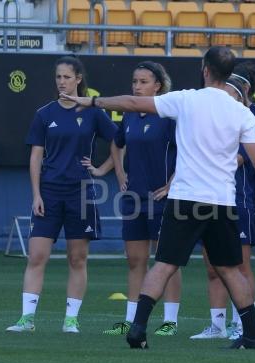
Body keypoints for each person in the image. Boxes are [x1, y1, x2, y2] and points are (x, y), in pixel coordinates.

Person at [61, 46, 255, 350]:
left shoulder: (186, 99)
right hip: (222, 201)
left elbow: (134, 103)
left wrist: (93, 100)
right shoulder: (242, 113)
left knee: (163, 264)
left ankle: (138, 328)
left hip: (185, 198)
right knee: (229, 269)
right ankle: (252, 334)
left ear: (205, 70)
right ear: (229, 74)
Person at [7, 56, 117, 333]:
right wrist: (36, 194)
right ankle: (27, 319)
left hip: (81, 193)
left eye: (67, 77)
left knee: (77, 258)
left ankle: (70, 320)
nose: (62, 82)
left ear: (78, 79)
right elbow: (35, 157)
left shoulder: (93, 113)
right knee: (36, 256)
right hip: (49, 193)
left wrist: (102, 169)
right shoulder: (45, 114)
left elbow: (120, 139)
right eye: (58, 77)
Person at [85, 61, 183, 337]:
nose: (137, 86)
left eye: (143, 82)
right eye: (134, 82)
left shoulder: (170, 116)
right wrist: (117, 171)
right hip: (133, 198)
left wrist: (171, 185)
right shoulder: (128, 116)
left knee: (166, 259)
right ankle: (129, 319)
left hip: (162, 199)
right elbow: (117, 145)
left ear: (158, 86)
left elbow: (189, 151)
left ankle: (170, 321)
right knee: (135, 260)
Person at [190, 62, 255, 341]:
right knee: (213, 265)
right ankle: (217, 326)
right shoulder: (214, 115)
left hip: (242, 200)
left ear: (243, 91)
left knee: (240, 266)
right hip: (210, 198)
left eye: (229, 90)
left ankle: (246, 324)